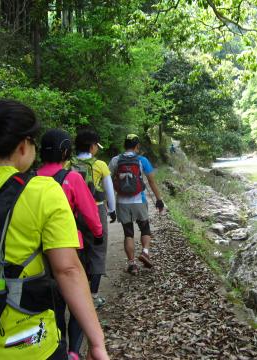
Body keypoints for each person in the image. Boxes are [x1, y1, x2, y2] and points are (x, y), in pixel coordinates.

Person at [0, 100, 108, 360]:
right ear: (23, 146)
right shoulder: (41, 191)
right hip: (32, 346)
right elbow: (67, 269)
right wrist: (96, 341)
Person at [37, 129, 103, 358]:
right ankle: (74, 351)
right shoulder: (71, 178)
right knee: (76, 299)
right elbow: (89, 212)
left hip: (38, 254)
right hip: (71, 247)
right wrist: (98, 233)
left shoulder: (31, 177)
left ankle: (58, 347)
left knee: (53, 303)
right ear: (66, 151)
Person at [109, 134, 164, 275]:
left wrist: (110, 203)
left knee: (128, 233)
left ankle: (132, 264)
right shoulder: (142, 160)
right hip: (139, 201)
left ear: (124, 145)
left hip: (122, 202)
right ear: (137, 146)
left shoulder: (115, 160)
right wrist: (159, 199)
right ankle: (145, 252)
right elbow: (151, 181)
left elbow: (108, 181)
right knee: (145, 229)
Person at [73, 129, 116, 307]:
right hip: (96, 211)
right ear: (92, 147)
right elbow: (109, 190)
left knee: (79, 252)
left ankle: (78, 293)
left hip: (73, 213)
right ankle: (93, 296)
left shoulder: (68, 164)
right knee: (98, 252)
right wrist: (112, 209)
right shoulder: (100, 165)